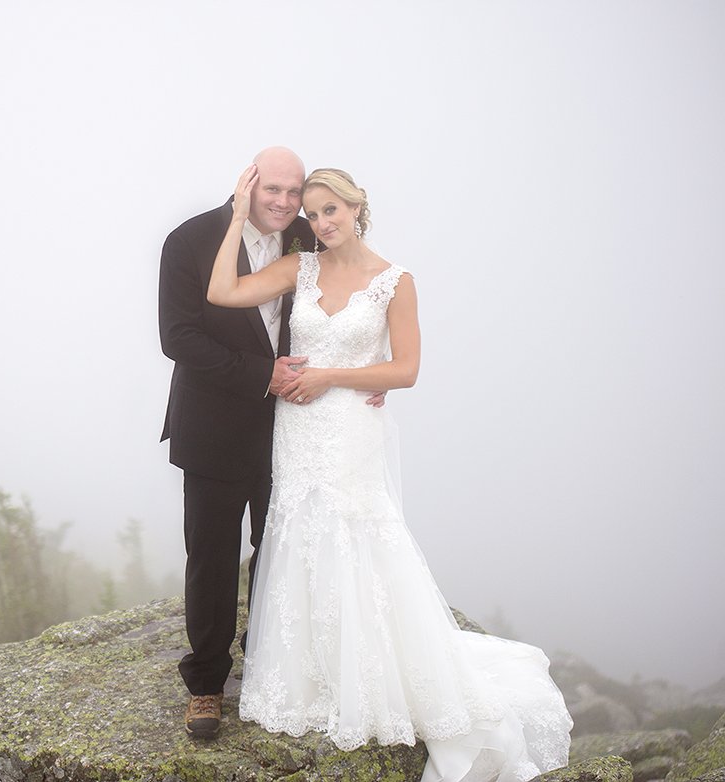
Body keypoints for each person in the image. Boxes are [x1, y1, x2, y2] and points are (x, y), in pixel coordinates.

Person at [206, 166, 573, 781]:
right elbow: (221, 292)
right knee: (298, 531)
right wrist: (239, 216)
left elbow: (405, 371)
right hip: (297, 433)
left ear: (357, 208)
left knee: (356, 532)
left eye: (332, 210)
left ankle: (372, 677)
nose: (322, 223)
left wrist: (327, 376)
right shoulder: (301, 268)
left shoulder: (394, 282)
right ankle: (311, 674)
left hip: (350, 426)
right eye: (313, 213)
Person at [158, 147, 384, 739]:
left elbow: (353, 299)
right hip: (211, 428)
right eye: (272, 190)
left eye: (294, 193)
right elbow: (178, 337)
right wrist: (262, 375)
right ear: (248, 185)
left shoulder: (308, 245)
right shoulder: (188, 241)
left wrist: (366, 367)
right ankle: (206, 684)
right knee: (210, 557)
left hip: (293, 428)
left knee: (280, 549)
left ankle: (266, 667)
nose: (285, 204)